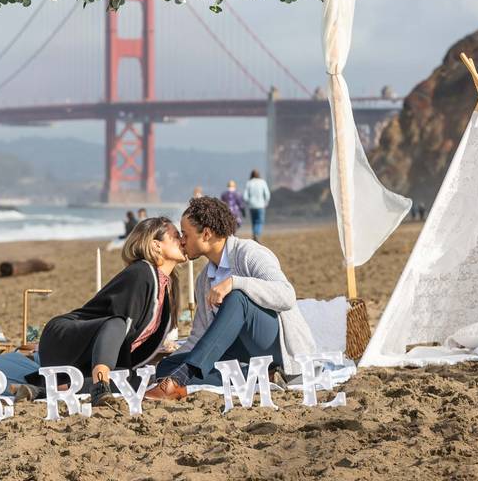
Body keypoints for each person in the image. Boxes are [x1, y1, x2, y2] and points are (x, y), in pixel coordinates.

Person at [146, 197, 316, 401]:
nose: (182, 240)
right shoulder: (203, 281)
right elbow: (199, 337)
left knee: (237, 298)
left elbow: (286, 295)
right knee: (166, 367)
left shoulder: (249, 253)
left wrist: (235, 282)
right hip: (243, 354)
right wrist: (165, 366)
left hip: (276, 347)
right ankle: (262, 376)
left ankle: (182, 378)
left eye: (185, 234)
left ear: (206, 234)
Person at [19, 217, 184, 407]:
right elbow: (121, 325)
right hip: (65, 338)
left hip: (92, 354)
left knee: (138, 380)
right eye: (176, 236)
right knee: (118, 324)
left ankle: (40, 390)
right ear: (156, 245)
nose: (182, 240)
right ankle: (100, 387)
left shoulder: (168, 285)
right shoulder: (142, 272)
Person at [242, 169, 271, 243]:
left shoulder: (249, 183)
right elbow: (267, 194)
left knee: (254, 222)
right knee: (259, 222)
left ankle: (254, 234)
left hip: (252, 206)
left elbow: (245, 196)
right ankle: (257, 234)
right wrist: (266, 202)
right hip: (260, 205)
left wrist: (249, 202)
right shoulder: (262, 182)